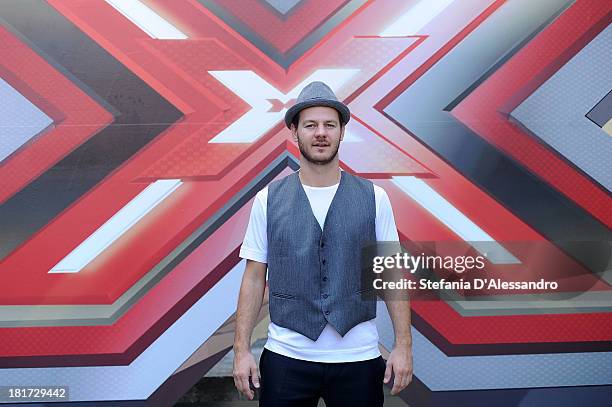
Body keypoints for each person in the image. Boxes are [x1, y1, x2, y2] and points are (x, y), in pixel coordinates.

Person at [232, 81, 413, 406]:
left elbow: (391, 276)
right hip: (286, 357)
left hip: (358, 359)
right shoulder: (267, 200)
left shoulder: (374, 198)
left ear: (342, 132)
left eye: (330, 124)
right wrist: (241, 350)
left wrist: (404, 345)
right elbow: (254, 276)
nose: (321, 133)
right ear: (294, 131)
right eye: (310, 125)